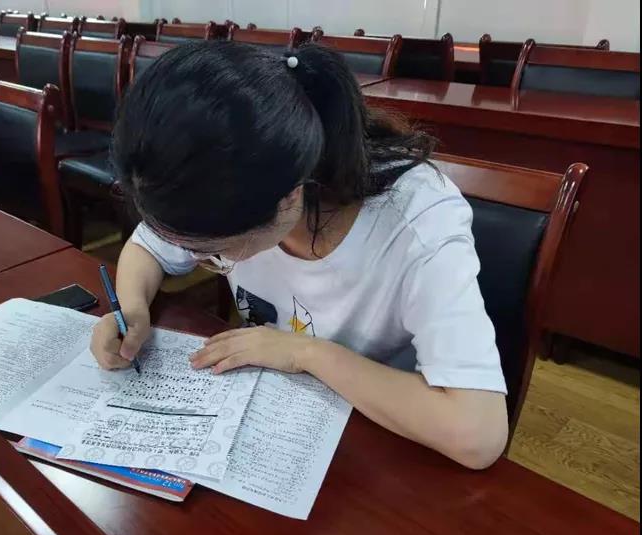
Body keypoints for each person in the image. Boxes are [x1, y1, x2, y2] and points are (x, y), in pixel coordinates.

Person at [92, 41, 508, 469]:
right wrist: (133, 310)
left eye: (213, 254)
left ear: (289, 198)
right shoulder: (215, 183)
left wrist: (304, 353)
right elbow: (146, 247)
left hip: (380, 436)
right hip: (279, 416)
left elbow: (477, 433)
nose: (199, 256)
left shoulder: (417, 221)